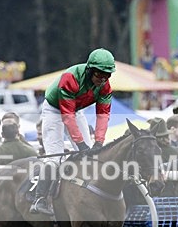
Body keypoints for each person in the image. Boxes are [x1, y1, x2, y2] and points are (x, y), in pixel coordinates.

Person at [31, 48, 116, 215]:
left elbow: (103, 115)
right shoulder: (70, 78)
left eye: (107, 75)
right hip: (55, 109)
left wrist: (99, 142)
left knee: (91, 156)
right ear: (90, 69)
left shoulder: (106, 87)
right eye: (99, 74)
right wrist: (81, 144)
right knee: (55, 157)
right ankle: (39, 198)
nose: (103, 79)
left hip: (76, 110)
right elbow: (67, 116)